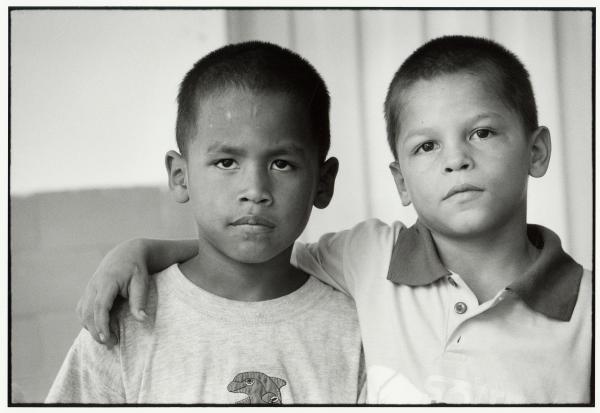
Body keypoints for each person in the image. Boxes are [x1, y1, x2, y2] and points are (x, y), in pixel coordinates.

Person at [76, 36, 591, 404]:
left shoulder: (586, 315)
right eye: (427, 145)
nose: (455, 160)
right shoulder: (372, 259)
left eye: (481, 133)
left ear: (538, 150)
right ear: (401, 182)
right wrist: (141, 249)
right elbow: (258, 255)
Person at [46, 41, 366, 404]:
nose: (255, 190)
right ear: (181, 177)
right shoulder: (128, 321)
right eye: (227, 162)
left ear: (323, 183)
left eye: (282, 164)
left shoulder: (356, 330)